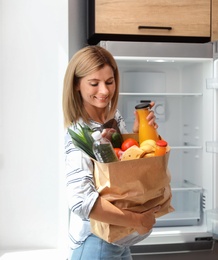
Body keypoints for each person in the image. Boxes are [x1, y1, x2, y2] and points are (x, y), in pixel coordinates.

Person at [62, 45, 159, 260]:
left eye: (109, 82)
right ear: (77, 85)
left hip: (118, 240)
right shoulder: (79, 133)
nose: (104, 91)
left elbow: (125, 165)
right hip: (95, 243)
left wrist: (139, 134)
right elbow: (80, 202)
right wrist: (137, 220)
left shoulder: (112, 115)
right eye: (94, 84)